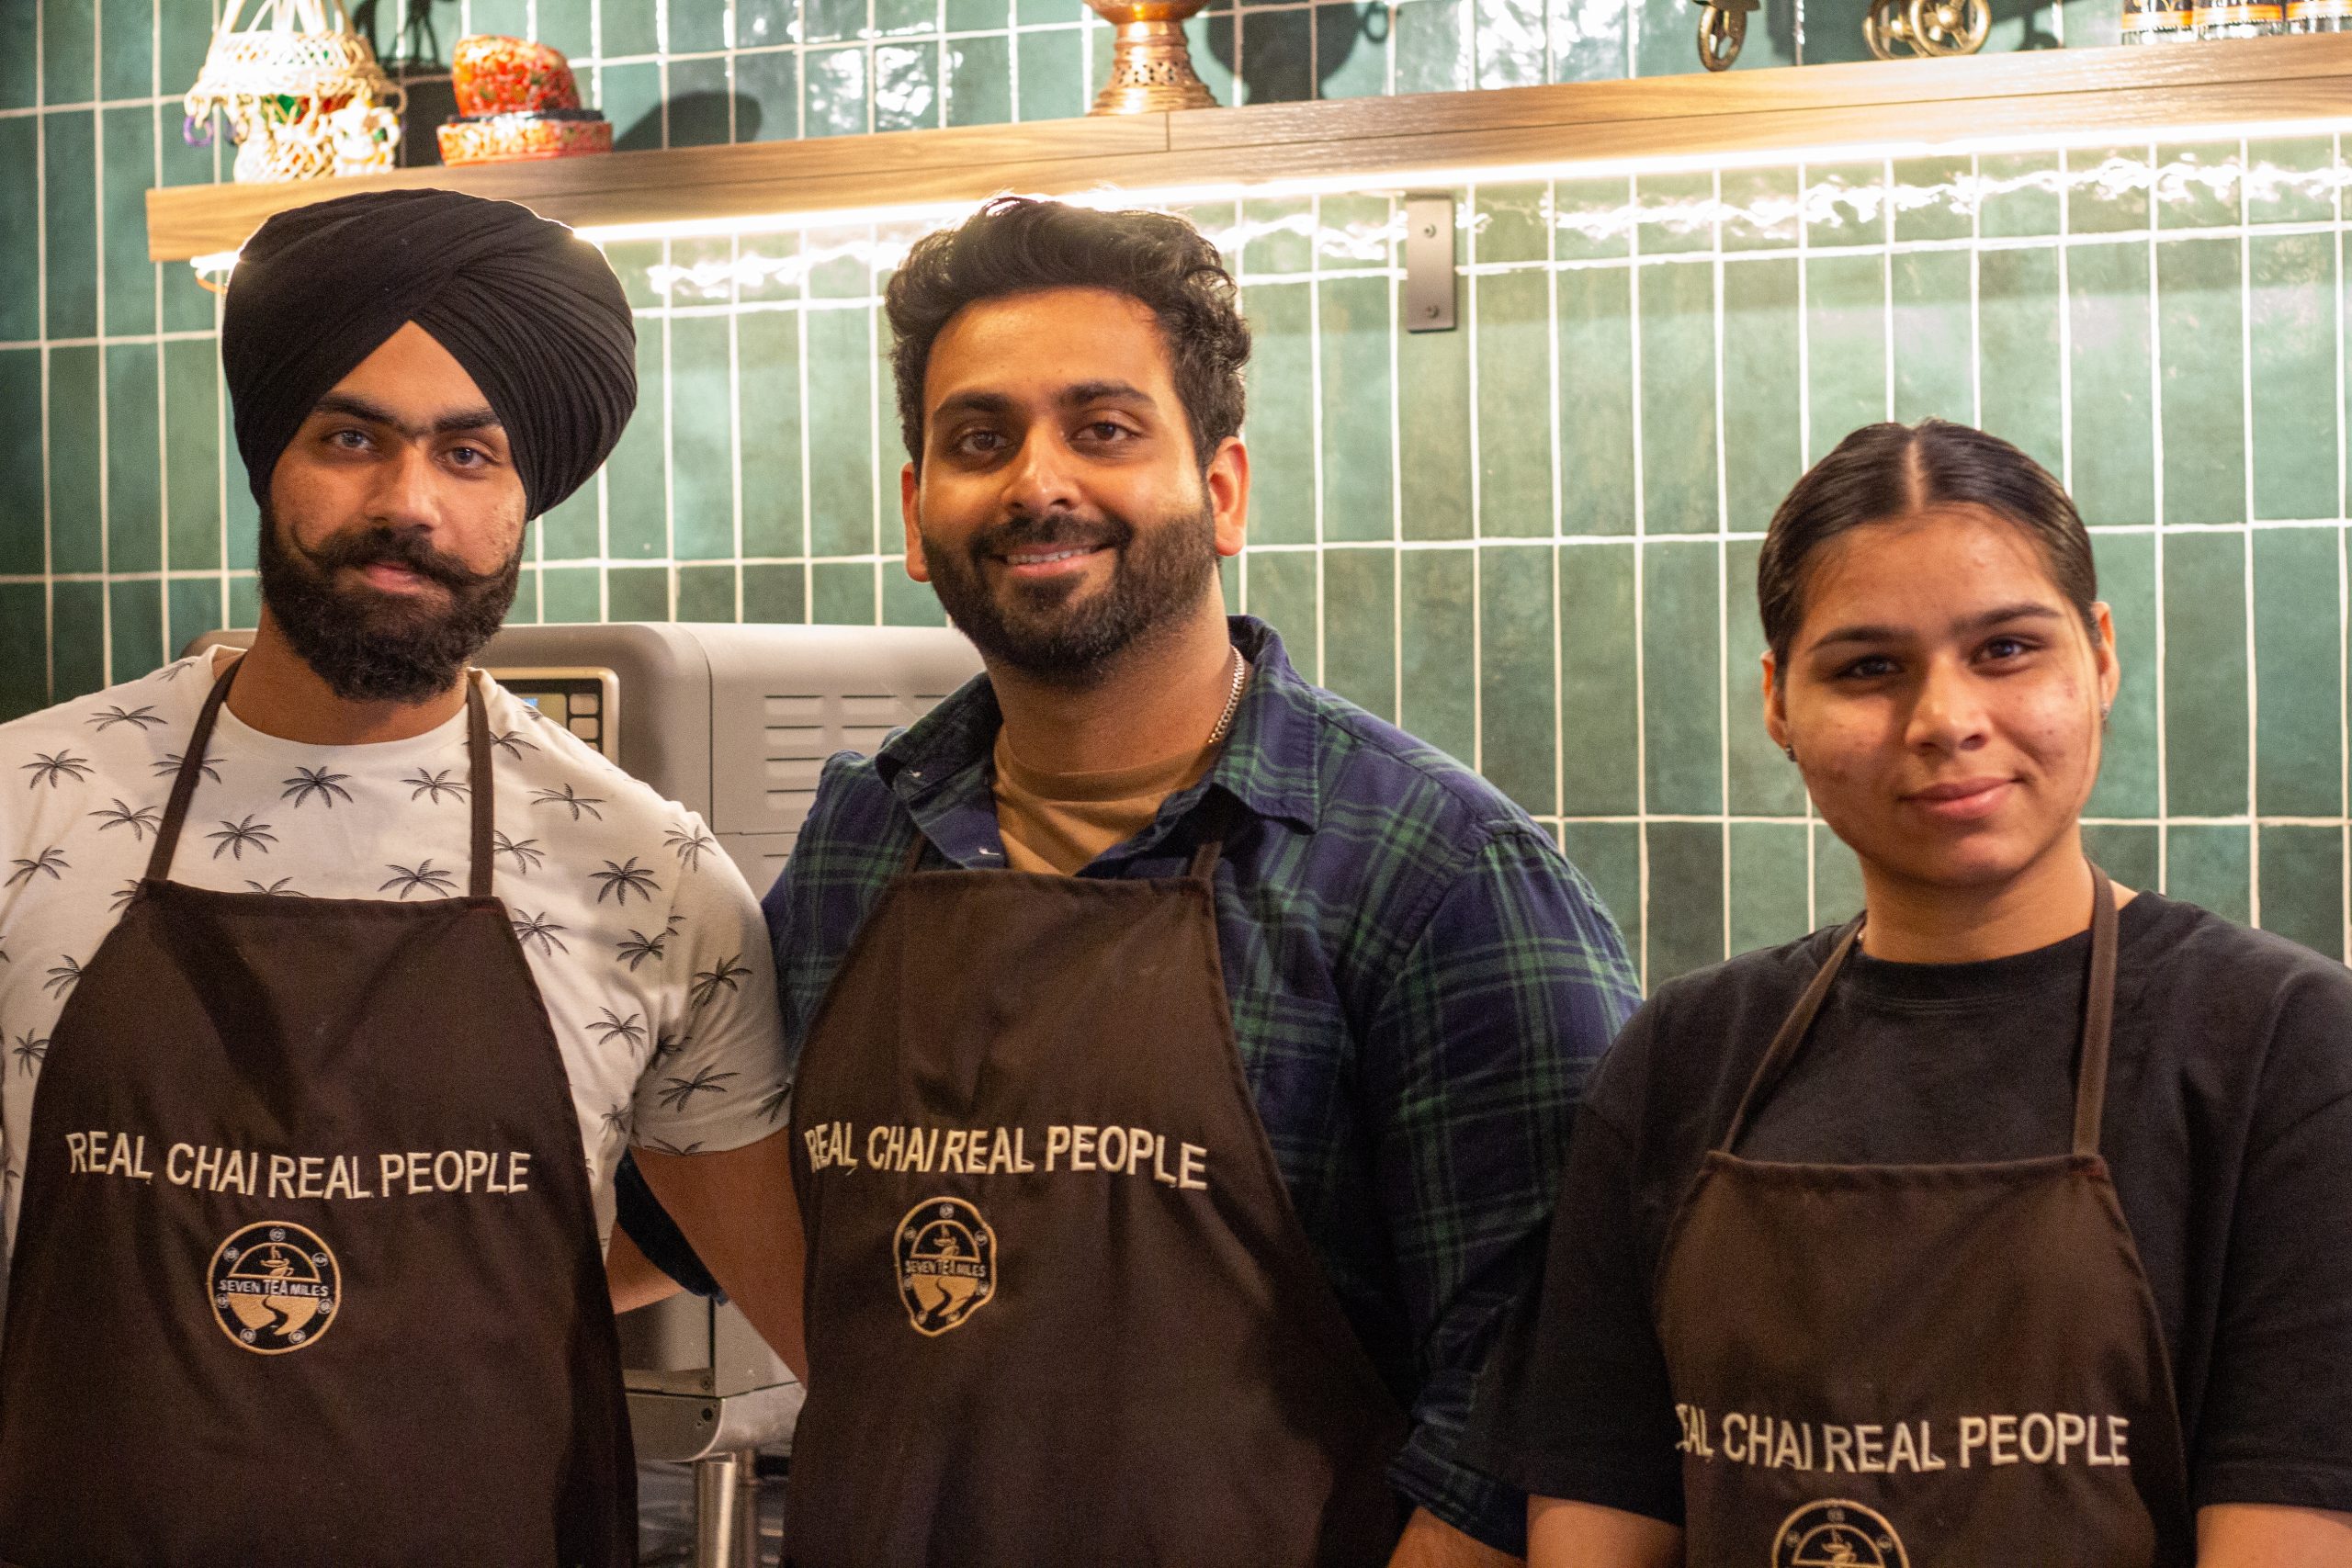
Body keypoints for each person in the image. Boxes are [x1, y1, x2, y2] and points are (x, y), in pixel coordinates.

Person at [744, 195, 1639, 1566]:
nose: (1039, 481)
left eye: (1103, 429)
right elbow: (719, 1210)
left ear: (1221, 492)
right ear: (919, 515)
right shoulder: (861, 838)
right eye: (979, 439)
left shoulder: (1438, 876)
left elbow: (1533, 1419)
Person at [0, 189, 804, 1565]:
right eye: (351, 437)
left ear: (523, 490)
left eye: (470, 453)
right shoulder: (27, 807)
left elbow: (796, 1289)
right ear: (270, 457)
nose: (406, 504)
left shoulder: (649, 874)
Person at [1463, 420, 2352, 1567]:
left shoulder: (2283, 1046)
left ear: (2100, 657)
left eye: (2006, 650)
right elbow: (1598, 1526)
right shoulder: (1681, 1059)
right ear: (1779, 702)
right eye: (1868, 668)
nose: (1944, 720)